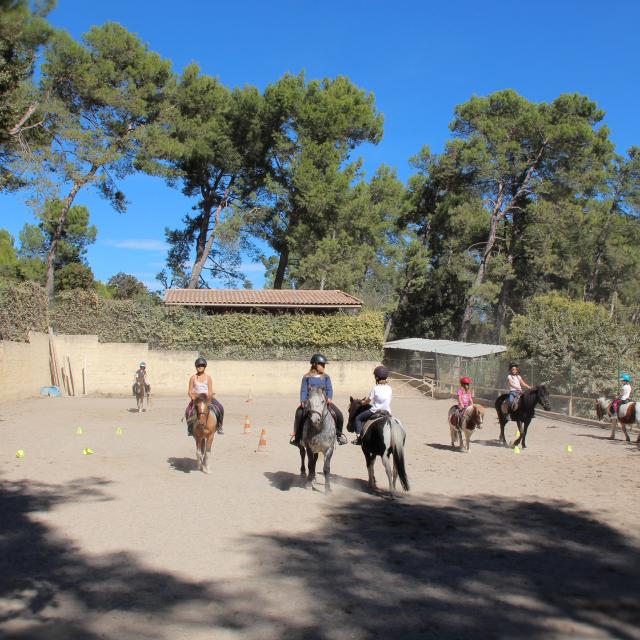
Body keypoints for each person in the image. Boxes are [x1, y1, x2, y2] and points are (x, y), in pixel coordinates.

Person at [290, 353, 347, 446]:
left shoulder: (326, 377)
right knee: (299, 414)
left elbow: (329, 389)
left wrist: (329, 397)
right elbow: (303, 390)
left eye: (324, 365)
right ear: (315, 364)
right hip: (310, 403)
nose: (324, 367)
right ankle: (297, 437)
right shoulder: (306, 377)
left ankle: (339, 435)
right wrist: (302, 400)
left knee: (339, 414)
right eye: (322, 364)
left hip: (323, 402)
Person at [352, 365, 392, 445]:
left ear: (376, 377)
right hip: (387, 411)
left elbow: (368, 401)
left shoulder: (375, 388)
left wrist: (362, 403)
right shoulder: (389, 388)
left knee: (358, 418)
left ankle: (358, 437)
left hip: (375, 411)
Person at [186, 357, 224, 436]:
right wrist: (192, 397)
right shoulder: (193, 378)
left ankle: (219, 426)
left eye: (202, 365)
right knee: (188, 411)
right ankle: (190, 428)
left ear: (205, 366)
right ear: (196, 367)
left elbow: (210, 390)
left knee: (220, 407)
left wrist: (209, 397)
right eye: (198, 365)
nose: (200, 367)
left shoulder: (208, 378)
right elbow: (189, 391)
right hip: (197, 399)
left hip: (207, 398)